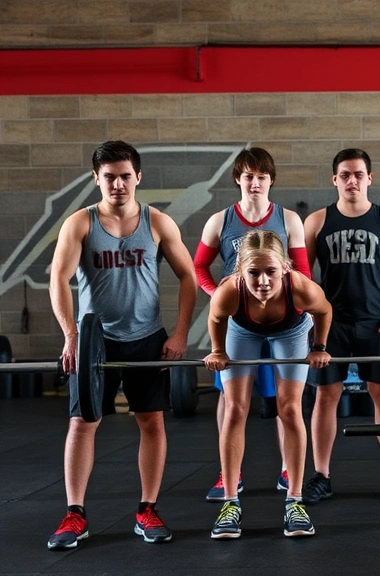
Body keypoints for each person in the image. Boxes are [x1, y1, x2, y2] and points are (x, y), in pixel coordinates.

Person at [46, 140, 197, 550]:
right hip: (94, 344)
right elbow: (59, 279)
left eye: (125, 176)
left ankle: (147, 508)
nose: (117, 184)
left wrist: (180, 333)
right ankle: (74, 514)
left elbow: (189, 277)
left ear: (138, 178)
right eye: (109, 177)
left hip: (147, 340)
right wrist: (71, 336)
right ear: (96, 179)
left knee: (151, 421)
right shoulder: (79, 223)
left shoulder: (159, 223)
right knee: (82, 423)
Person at [192, 147, 311, 500]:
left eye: (261, 176)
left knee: (288, 404)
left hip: (283, 319)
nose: (255, 183)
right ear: (238, 179)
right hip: (240, 320)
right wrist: (219, 296)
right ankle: (230, 475)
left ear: (271, 180)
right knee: (233, 402)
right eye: (248, 176)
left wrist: (295, 308)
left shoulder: (289, 220)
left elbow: (302, 273)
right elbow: (199, 267)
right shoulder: (220, 221)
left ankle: (290, 472)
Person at [303, 148, 380, 504]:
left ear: (370, 178)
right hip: (330, 323)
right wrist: (306, 313)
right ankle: (320, 475)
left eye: (358, 174)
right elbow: (300, 273)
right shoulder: (318, 221)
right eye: (345, 175)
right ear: (335, 180)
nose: (352, 181)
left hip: (376, 322)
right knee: (326, 395)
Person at [204, 230, 331, 539]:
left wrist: (319, 347)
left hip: (291, 331)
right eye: (253, 272)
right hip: (242, 330)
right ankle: (230, 502)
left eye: (271, 271)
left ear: (284, 268)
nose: (262, 281)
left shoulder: (300, 287)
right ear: (240, 271)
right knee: (234, 410)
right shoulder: (229, 293)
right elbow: (217, 319)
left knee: (289, 409)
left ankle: (295, 501)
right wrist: (218, 351)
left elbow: (324, 310)